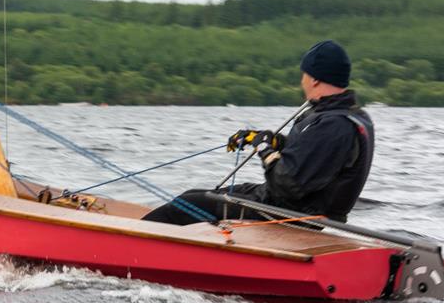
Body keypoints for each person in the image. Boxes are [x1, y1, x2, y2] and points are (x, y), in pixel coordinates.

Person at [143, 40, 374, 225]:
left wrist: (265, 150)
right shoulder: (351, 116)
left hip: (288, 215)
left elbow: (288, 186)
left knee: (187, 204)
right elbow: (313, 157)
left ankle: (131, 247)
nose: (302, 80)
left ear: (314, 79)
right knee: (198, 195)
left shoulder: (332, 125)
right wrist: (274, 141)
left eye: (304, 74)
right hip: (290, 207)